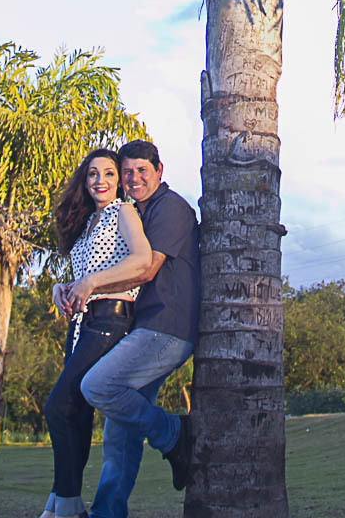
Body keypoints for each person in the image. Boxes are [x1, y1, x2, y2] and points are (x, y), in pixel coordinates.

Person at [76, 139, 201, 518]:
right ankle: (107, 513)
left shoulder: (171, 209)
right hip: (142, 328)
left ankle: (174, 434)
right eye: (127, 172)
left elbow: (145, 270)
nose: (133, 179)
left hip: (167, 328)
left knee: (97, 386)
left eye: (141, 171)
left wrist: (91, 286)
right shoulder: (133, 213)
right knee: (119, 432)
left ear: (159, 171)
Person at [40, 147, 152, 518]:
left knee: (58, 405)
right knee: (75, 413)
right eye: (92, 174)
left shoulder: (124, 211)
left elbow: (141, 260)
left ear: (118, 181)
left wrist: (90, 282)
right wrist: (65, 288)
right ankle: (62, 500)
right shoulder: (88, 223)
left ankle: (67, 504)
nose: (99, 181)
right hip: (80, 323)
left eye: (108, 173)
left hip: (111, 319)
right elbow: (86, 275)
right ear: (84, 182)